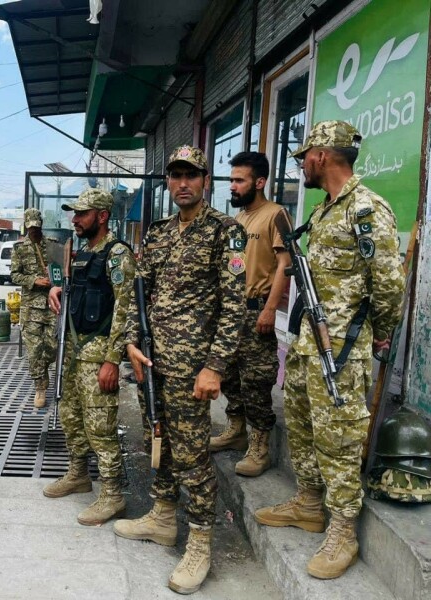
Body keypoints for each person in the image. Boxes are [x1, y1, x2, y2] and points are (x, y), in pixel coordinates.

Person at [254, 121, 405, 579]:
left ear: (322, 155)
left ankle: (343, 528)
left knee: (339, 438)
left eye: (304, 157)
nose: (301, 164)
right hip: (306, 341)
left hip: (341, 349)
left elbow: (390, 285)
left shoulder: (366, 209)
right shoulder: (323, 212)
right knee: (301, 423)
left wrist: (379, 333)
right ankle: (309, 503)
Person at [118, 145, 246, 594]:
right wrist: (131, 343)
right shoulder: (156, 234)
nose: (182, 183)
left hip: (193, 369)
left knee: (193, 457)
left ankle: (201, 542)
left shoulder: (225, 233)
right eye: (175, 176)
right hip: (153, 362)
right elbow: (140, 292)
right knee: (161, 443)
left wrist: (214, 367)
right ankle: (162, 516)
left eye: (190, 175)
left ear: (205, 180)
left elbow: (235, 308)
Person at [46, 188, 136, 527]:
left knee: (101, 426)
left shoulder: (117, 255)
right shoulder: (82, 253)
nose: (75, 219)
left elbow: (124, 311)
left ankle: (112, 494)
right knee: (71, 417)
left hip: (98, 355)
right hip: (73, 352)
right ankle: (78, 474)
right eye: (75, 213)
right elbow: (75, 294)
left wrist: (113, 360)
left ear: (101, 216)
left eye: (82, 213)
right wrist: (56, 289)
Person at [210, 151, 290, 477]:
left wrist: (271, 309)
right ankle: (236, 429)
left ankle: (259, 448)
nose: (232, 186)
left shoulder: (276, 215)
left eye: (239, 180)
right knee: (228, 374)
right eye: (231, 180)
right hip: (232, 312)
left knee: (256, 381)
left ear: (259, 182)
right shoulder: (239, 220)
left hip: (258, 310)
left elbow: (286, 264)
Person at [11, 208, 57, 408]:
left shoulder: (53, 246)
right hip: (31, 308)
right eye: (30, 228)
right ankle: (40, 387)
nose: (33, 232)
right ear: (25, 227)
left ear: (41, 225)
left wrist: (55, 280)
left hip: (52, 306)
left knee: (52, 347)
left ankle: (43, 369)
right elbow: (14, 275)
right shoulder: (19, 248)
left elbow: (63, 271)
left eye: (36, 228)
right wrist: (34, 280)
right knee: (34, 350)